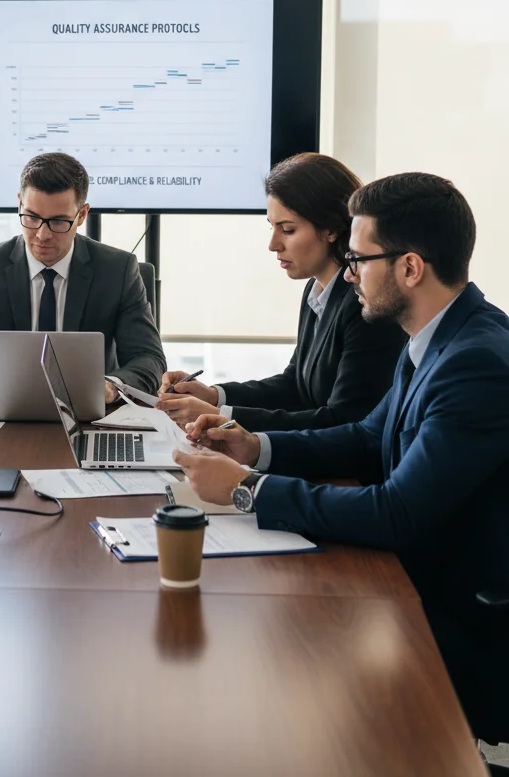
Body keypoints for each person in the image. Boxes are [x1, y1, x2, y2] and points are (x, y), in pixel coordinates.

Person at [173, 173, 509, 737]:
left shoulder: (475, 363)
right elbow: (363, 438)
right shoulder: (433, 336)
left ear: (409, 268)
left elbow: (398, 513)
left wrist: (247, 487)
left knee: (274, 669)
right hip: (414, 580)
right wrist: (254, 446)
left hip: (462, 617)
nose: (349, 273)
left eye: (359, 259)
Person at [158, 153, 406, 431]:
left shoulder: (365, 305)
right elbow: (295, 386)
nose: (273, 244)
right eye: (272, 227)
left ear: (331, 230)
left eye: (287, 229)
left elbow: (344, 420)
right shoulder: (317, 290)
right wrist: (213, 396)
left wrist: (223, 417)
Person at [0, 152, 166, 402]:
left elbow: (149, 359)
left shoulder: (117, 270)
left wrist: (110, 387)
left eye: (59, 221)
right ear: (20, 204)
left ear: (82, 215)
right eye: (31, 217)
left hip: (88, 416)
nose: (42, 235)